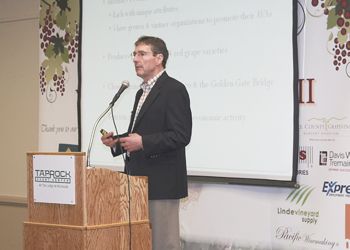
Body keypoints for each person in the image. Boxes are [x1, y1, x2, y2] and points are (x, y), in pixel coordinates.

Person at [101, 35, 192, 250]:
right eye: (134, 54)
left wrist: (144, 143)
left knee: (163, 244)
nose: (135, 59)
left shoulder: (173, 89)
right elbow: (140, 134)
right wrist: (116, 142)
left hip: (162, 184)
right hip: (137, 182)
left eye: (142, 54)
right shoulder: (141, 91)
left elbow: (181, 135)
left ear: (159, 58)